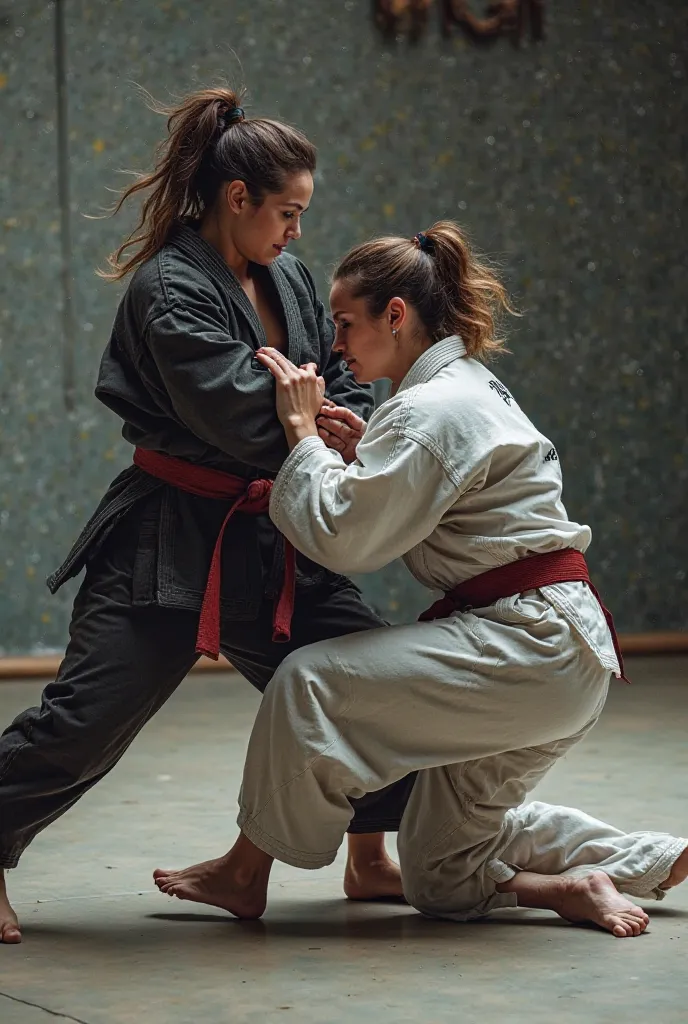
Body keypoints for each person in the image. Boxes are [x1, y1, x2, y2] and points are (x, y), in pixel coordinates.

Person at [154, 221, 688, 937]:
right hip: (559, 656)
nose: (336, 344)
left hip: (530, 645)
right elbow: (431, 488)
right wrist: (363, 445)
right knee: (440, 871)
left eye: (345, 323)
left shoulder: (429, 410)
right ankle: (611, 870)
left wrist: (303, 436)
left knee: (310, 683)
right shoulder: (465, 387)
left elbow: (346, 538)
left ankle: (245, 873)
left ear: (396, 315)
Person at [0, 87, 415, 945]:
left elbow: (331, 379)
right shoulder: (169, 289)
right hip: (168, 537)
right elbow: (238, 412)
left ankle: (369, 850)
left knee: (372, 679)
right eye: (288, 212)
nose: (297, 231)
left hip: (275, 530)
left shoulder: (290, 278)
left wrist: (334, 416)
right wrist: (301, 419)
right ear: (238, 199)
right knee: (86, 718)